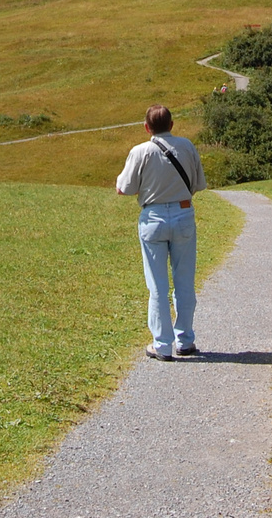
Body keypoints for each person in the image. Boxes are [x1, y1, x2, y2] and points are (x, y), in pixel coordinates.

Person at [115, 104, 207, 361]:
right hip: (184, 213)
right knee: (184, 281)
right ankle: (185, 339)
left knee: (157, 285)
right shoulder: (187, 146)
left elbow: (125, 188)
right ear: (172, 124)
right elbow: (199, 184)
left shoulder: (140, 151)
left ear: (147, 127)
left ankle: (162, 344)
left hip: (152, 217)